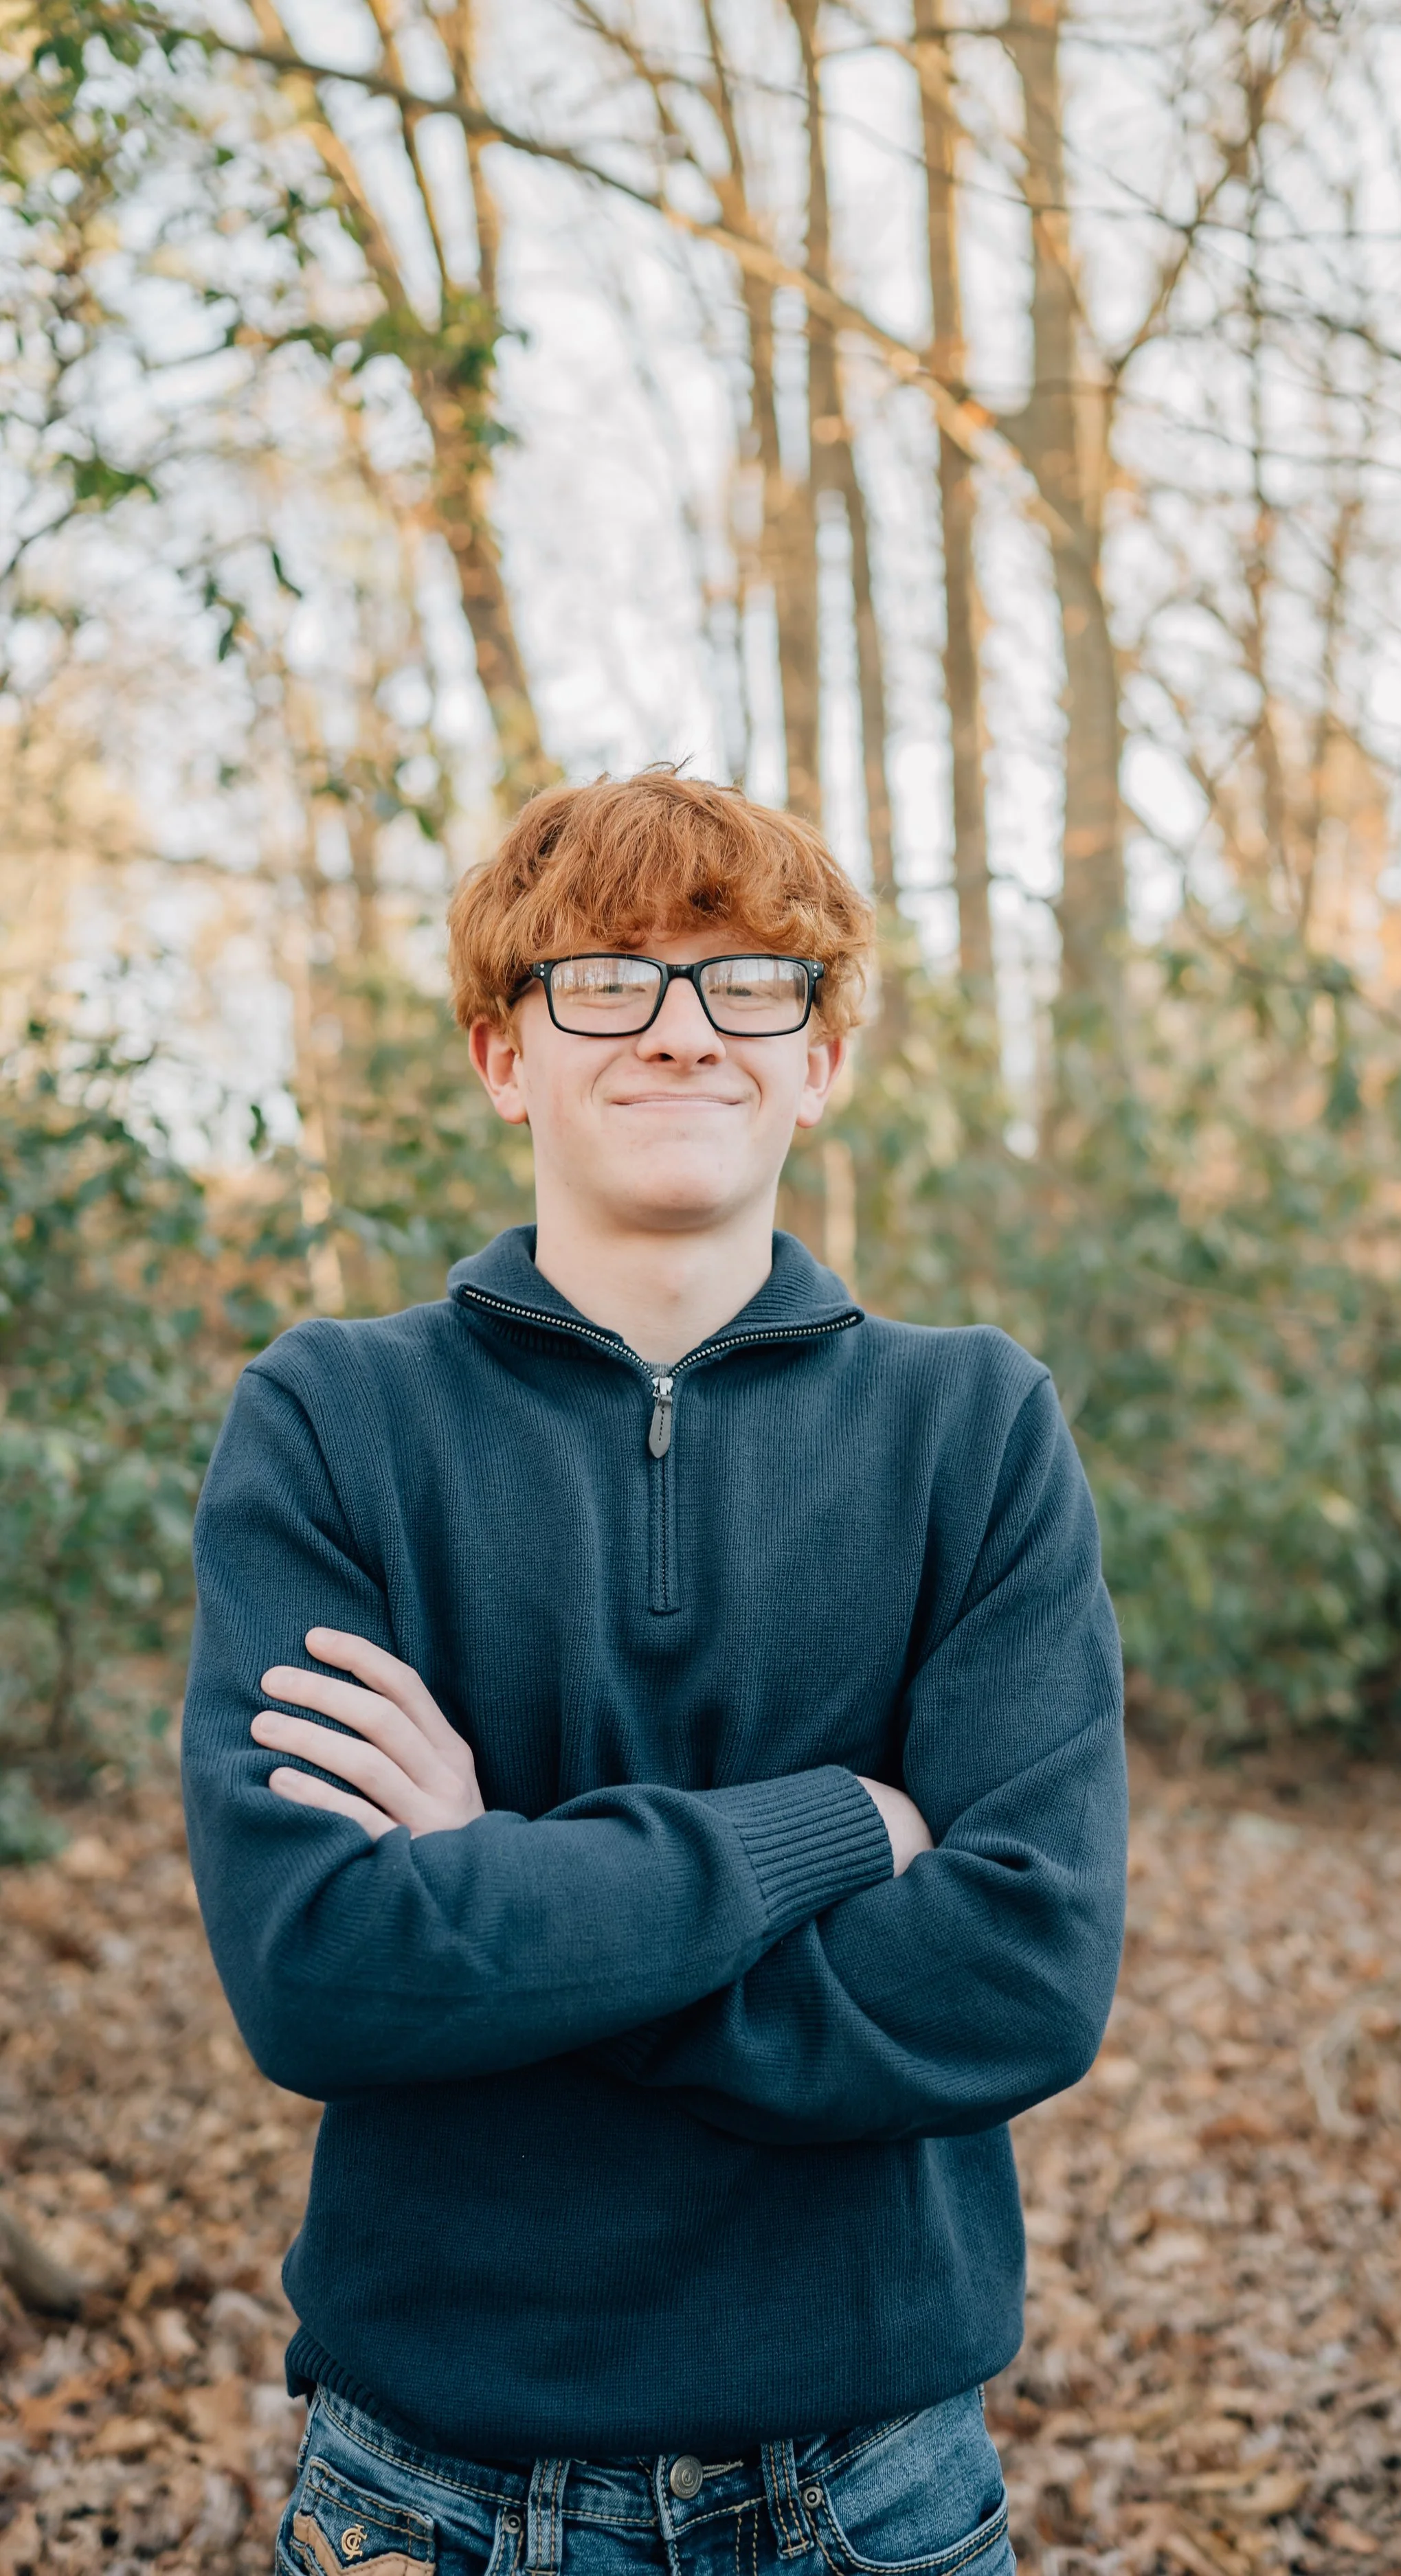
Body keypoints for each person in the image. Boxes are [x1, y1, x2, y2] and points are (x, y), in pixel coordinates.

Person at [181, 771, 1128, 2576]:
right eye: (604, 975)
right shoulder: (331, 1418)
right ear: (499, 1052)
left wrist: (492, 1874)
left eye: (746, 979)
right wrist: (830, 1830)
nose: (680, 1028)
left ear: (819, 1055)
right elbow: (318, 1973)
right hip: (431, 2495)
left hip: (873, 2496)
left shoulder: (972, 1425)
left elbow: (1023, 1971)